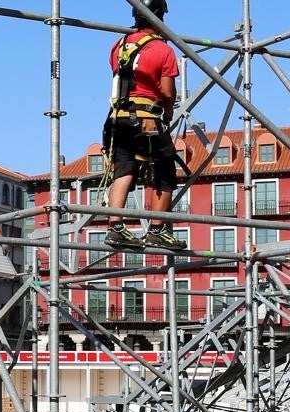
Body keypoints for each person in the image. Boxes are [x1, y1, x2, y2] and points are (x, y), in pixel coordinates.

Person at [101, 0, 185, 252]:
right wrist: (168, 112)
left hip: (116, 117)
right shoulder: (162, 49)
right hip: (146, 117)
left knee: (123, 170)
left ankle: (115, 227)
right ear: (160, 17)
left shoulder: (120, 45)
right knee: (163, 173)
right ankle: (158, 230)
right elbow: (168, 91)